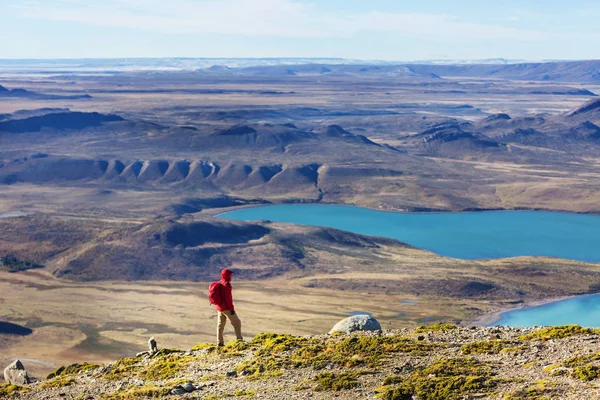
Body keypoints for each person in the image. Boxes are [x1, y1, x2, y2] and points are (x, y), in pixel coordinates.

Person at [214, 268, 243, 346]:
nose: (231, 276)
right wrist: (231, 309)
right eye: (230, 275)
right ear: (227, 275)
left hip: (219, 308)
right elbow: (228, 299)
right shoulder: (226, 285)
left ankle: (219, 343)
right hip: (226, 308)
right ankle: (239, 340)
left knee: (220, 325)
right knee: (237, 323)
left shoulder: (220, 282)